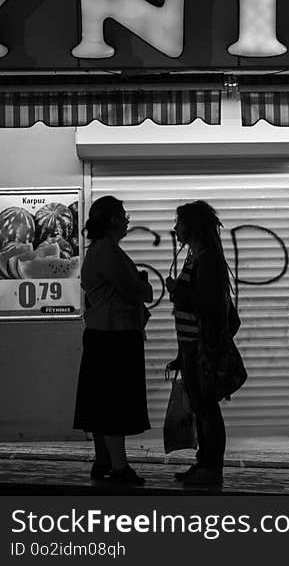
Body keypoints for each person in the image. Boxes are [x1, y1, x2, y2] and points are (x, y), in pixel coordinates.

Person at [73, 196, 153, 486]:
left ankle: (103, 459)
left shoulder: (98, 250)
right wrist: (145, 286)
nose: (127, 220)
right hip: (114, 337)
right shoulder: (107, 251)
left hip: (102, 335)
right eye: (122, 214)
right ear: (111, 220)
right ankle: (119, 467)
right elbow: (136, 290)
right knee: (113, 402)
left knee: (99, 401)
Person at [165, 200, 236, 486]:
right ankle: (204, 463)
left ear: (191, 226)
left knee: (206, 408)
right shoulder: (197, 256)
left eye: (179, 223)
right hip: (191, 345)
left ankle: (211, 466)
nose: (175, 228)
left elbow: (205, 304)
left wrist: (177, 291)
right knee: (202, 406)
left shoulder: (206, 259)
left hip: (200, 346)